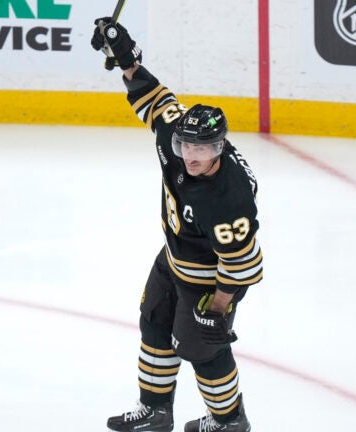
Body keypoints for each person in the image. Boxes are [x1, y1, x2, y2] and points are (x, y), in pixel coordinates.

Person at [92, 17, 262, 432]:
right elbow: (154, 98)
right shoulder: (175, 137)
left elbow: (243, 263)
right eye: (187, 145)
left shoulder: (229, 198)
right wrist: (125, 56)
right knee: (154, 324)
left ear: (220, 146)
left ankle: (229, 421)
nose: (192, 155)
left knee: (202, 347)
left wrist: (218, 307)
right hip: (173, 258)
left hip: (209, 279)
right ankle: (155, 411)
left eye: (203, 148)